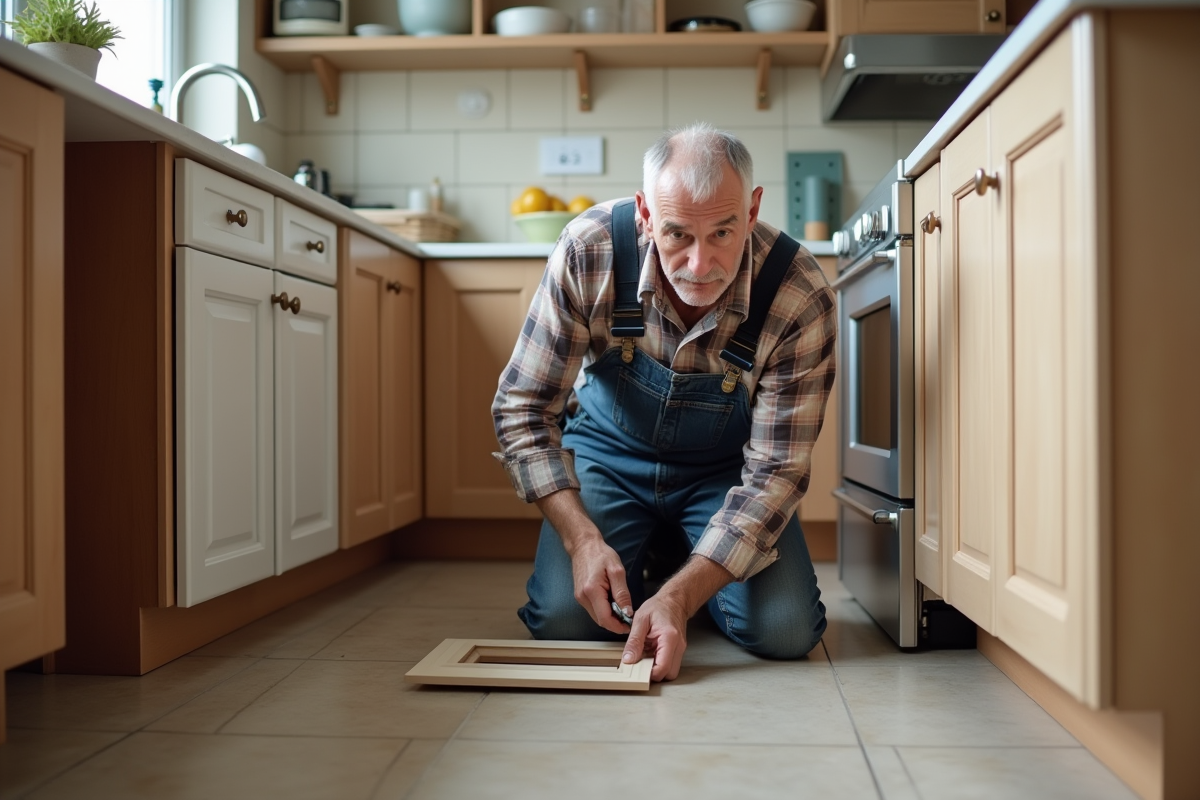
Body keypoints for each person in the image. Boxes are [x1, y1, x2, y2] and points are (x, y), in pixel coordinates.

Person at [491, 122, 835, 683]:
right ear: (645, 213)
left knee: (785, 631)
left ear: (751, 212)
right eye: (677, 234)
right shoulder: (590, 250)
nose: (700, 266)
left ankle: (677, 568)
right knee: (563, 620)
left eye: (723, 233)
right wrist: (581, 538)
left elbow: (776, 473)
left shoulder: (798, 293)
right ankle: (655, 559)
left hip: (725, 476)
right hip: (607, 456)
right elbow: (523, 407)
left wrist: (681, 597)